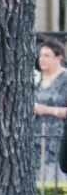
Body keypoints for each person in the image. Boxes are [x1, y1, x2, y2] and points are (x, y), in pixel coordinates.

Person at [34, 38, 67, 181]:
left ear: (59, 58)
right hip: (37, 138)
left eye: (47, 56)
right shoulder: (37, 78)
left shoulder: (65, 78)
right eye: (41, 55)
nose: (42, 59)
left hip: (57, 137)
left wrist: (46, 110)